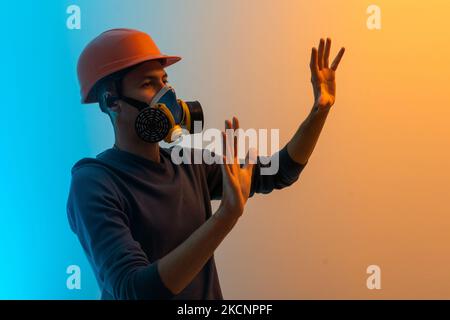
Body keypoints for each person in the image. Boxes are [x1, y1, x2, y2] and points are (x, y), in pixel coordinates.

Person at [66, 28, 345, 300]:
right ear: (112, 101)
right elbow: (135, 291)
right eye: (148, 84)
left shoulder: (186, 162)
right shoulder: (94, 182)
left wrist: (319, 111)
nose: (166, 93)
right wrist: (225, 217)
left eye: (164, 80)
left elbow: (281, 172)